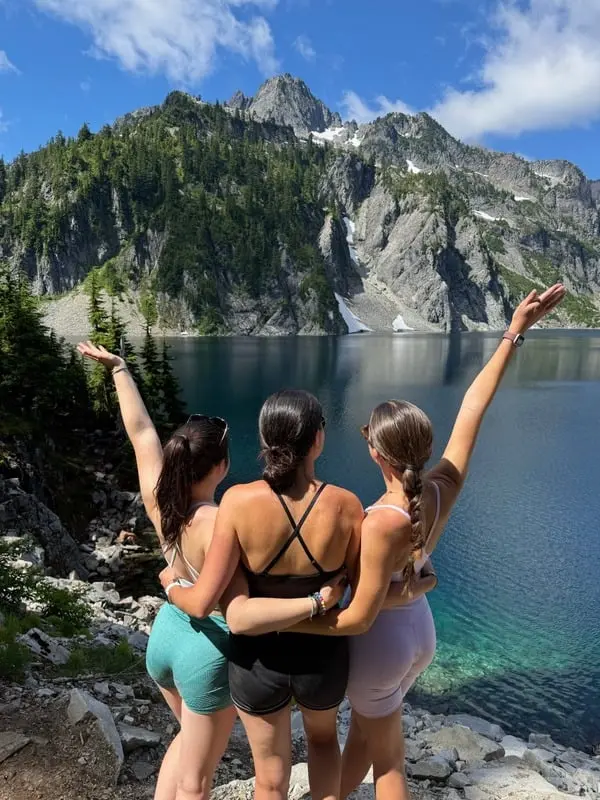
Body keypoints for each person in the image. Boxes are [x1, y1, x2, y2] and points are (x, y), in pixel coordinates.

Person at [288, 283, 566, 800]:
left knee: (390, 766)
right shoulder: (440, 491)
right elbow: (472, 409)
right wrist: (512, 335)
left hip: (381, 646)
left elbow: (361, 614)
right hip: (419, 639)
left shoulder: (377, 522)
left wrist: (293, 621)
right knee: (368, 739)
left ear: (376, 454)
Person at [77, 345, 345, 800]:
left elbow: (141, 433)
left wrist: (121, 370)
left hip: (164, 640)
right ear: (221, 466)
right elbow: (217, 596)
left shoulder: (163, 502)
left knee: (186, 742)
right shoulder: (223, 521)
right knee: (198, 781)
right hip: (208, 649)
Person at [159, 389, 365, 800]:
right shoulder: (346, 505)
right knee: (324, 744)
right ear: (318, 439)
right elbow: (358, 590)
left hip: (256, 661)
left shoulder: (236, 502)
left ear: (265, 438)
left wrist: (170, 583)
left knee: (269, 778)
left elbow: (220, 601)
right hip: (320, 656)